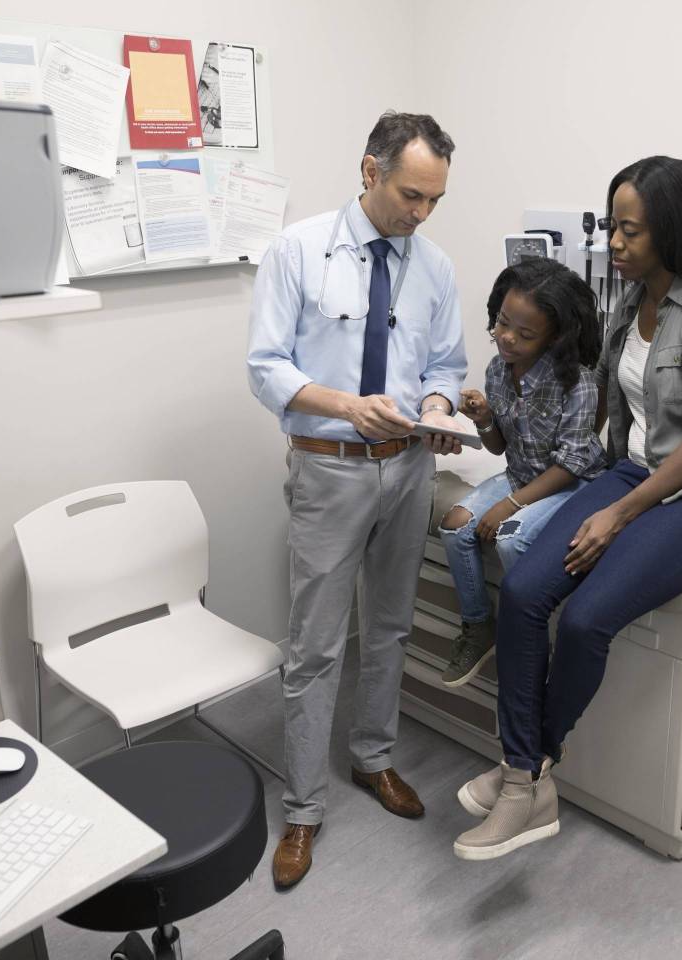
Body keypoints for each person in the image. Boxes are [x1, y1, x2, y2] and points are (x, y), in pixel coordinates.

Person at [452, 156, 682, 861]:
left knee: (591, 616)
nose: (615, 244)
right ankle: (524, 776)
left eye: (631, 231)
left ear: (674, 230)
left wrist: (616, 513)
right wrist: (522, 433)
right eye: (613, 228)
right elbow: (601, 398)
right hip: (639, 468)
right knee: (529, 589)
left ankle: (527, 773)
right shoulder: (632, 300)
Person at [247, 111, 468, 888]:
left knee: (391, 627)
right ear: (370, 172)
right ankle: (303, 809)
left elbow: (446, 362)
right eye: (412, 195)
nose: (420, 214)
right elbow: (265, 366)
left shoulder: (434, 266)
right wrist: (347, 405)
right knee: (313, 648)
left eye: (435, 200)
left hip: (408, 470)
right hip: (330, 466)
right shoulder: (299, 250)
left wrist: (439, 410)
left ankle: (373, 759)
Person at [437, 258, 604, 689]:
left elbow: (569, 467)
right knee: (455, 525)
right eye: (502, 322)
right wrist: (484, 418)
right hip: (522, 473)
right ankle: (479, 626)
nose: (506, 338)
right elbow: (499, 448)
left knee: (512, 537)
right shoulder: (498, 370)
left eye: (525, 333)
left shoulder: (578, 383)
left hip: (570, 484)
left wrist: (511, 504)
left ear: (555, 337)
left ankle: (531, 638)